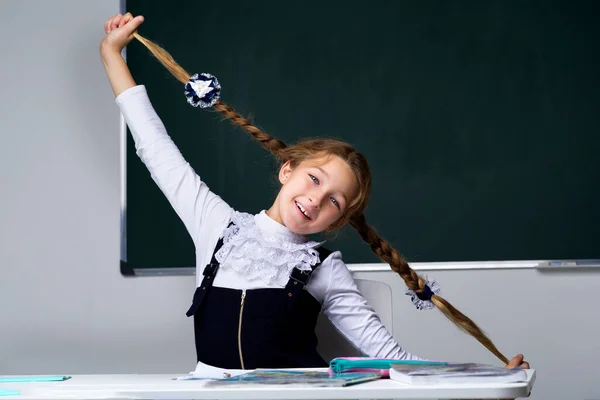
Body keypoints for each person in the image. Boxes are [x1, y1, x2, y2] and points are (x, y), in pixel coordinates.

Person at [100, 12, 530, 371]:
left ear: (338, 221)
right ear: (287, 170)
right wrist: (111, 54)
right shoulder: (216, 225)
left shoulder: (324, 269)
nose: (316, 200)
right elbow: (155, 148)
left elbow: (389, 357)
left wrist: (489, 382)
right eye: (314, 179)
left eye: (334, 202)